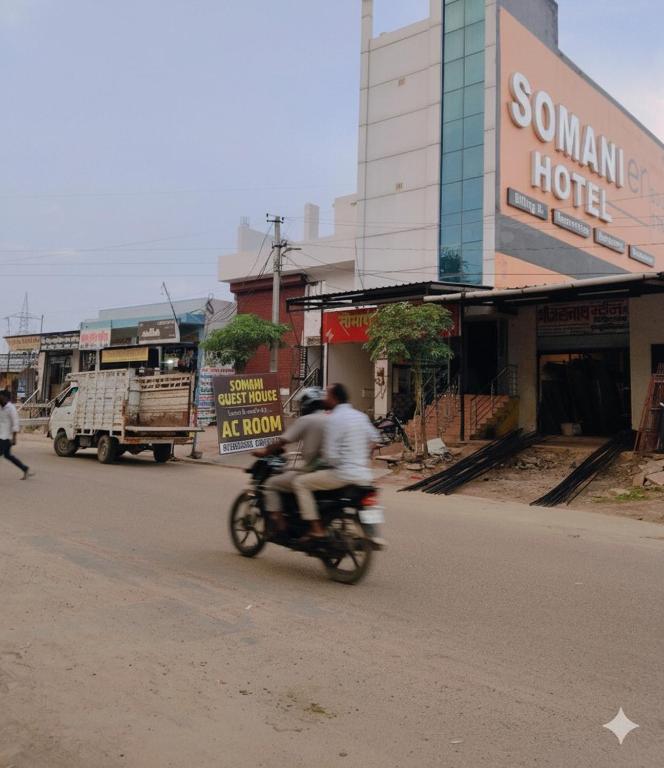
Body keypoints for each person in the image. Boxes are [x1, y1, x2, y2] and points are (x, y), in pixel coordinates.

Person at [292, 382, 379, 540]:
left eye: (327, 395)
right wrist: (364, 457)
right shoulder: (361, 416)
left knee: (300, 483)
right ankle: (372, 533)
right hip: (365, 476)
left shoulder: (334, 419)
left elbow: (330, 455)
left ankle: (317, 528)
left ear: (334, 398)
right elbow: (374, 439)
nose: (325, 399)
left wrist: (324, 462)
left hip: (342, 474)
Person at [254, 388, 328, 533]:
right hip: (328, 469)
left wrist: (264, 451)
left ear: (306, 404)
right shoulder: (330, 418)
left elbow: (283, 441)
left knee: (271, 483)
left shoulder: (306, 420)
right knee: (289, 470)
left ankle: (280, 525)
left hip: (312, 469)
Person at [0, 389, 32, 480]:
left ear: (5, 398)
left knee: (7, 455)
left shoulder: (11, 408)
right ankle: (25, 468)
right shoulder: (0, 407)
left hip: (7, 438)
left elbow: (15, 423)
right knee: (8, 455)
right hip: (1, 436)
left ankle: (25, 468)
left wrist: (14, 438)